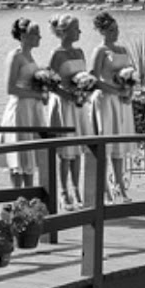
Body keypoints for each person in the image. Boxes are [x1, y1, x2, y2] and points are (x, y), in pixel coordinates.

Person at [47, 14, 95, 209]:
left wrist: (85, 90)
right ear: (64, 31)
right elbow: (49, 83)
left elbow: (85, 76)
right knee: (66, 152)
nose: (80, 32)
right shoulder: (56, 54)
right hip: (64, 104)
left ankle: (77, 189)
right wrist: (69, 96)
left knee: (78, 152)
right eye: (76, 28)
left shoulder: (81, 52)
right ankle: (63, 192)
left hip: (80, 104)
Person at [88, 11, 136, 203]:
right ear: (102, 32)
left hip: (122, 102)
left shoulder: (123, 50)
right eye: (110, 30)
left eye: (116, 29)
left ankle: (120, 187)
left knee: (119, 145)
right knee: (106, 144)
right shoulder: (100, 51)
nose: (115, 32)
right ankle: (104, 189)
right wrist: (115, 91)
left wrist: (129, 91)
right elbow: (93, 78)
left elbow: (132, 75)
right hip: (106, 100)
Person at [0, 18, 48, 188]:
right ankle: (18, 198)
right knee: (18, 157)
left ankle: (31, 198)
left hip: (32, 109)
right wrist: (36, 94)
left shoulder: (30, 56)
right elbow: (10, 89)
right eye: (36, 34)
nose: (39, 38)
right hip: (19, 110)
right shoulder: (15, 56)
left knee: (30, 156)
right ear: (24, 36)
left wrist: (42, 92)